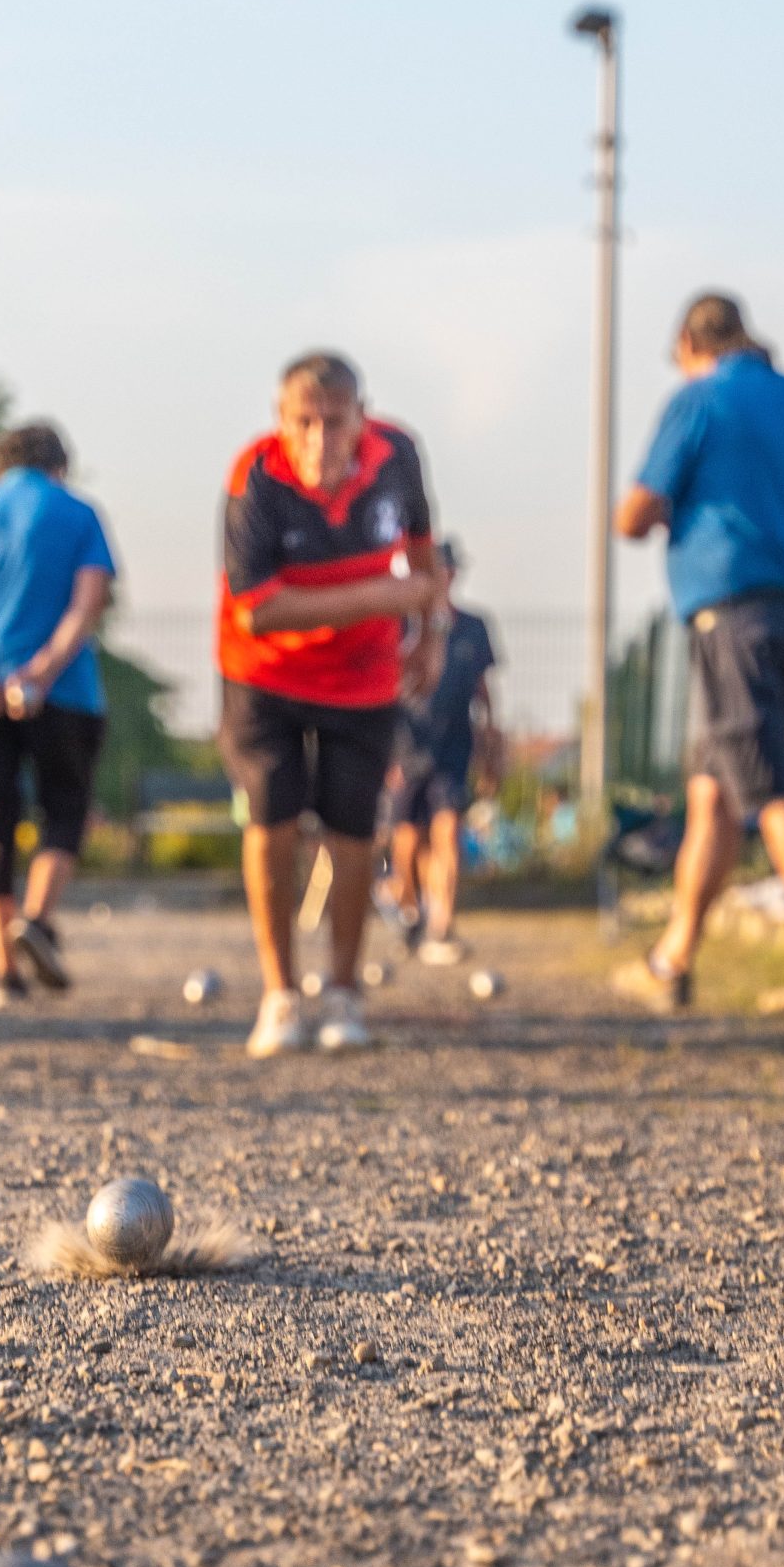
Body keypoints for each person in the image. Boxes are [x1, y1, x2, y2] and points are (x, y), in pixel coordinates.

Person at [612, 292, 784, 1015]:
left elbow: (634, 516)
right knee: (712, 795)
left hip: (732, 625)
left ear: (690, 345)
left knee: (770, 792)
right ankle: (671, 961)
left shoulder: (697, 402)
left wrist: (658, 507)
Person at [218, 350, 446, 1055]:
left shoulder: (398, 455)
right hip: (264, 675)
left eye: (335, 422)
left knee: (354, 832)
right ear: (280, 420)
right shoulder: (254, 477)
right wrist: (384, 596)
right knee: (273, 822)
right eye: (303, 422)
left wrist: (430, 635)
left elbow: (423, 551)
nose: (319, 440)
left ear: (361, 418)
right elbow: (259, 609)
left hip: (363, 677)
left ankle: (344, 992)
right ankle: (280, 995)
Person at [0, 422, 115, 1008]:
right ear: (60, 466)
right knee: (65, 809)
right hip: (64, 692)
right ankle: (34, 918)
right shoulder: (80, 514)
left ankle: (2, 972)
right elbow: (88, 602)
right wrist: (39, 672)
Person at [386, 540, 499, 963]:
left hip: (454, 743)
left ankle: (442, 925)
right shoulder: (397, 625)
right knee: (407, 839)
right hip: (406, 744)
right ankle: (408, 905)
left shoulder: (473, 627)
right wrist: (385, 754)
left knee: (448, 830)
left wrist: (491, 743)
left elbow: (484, 691)